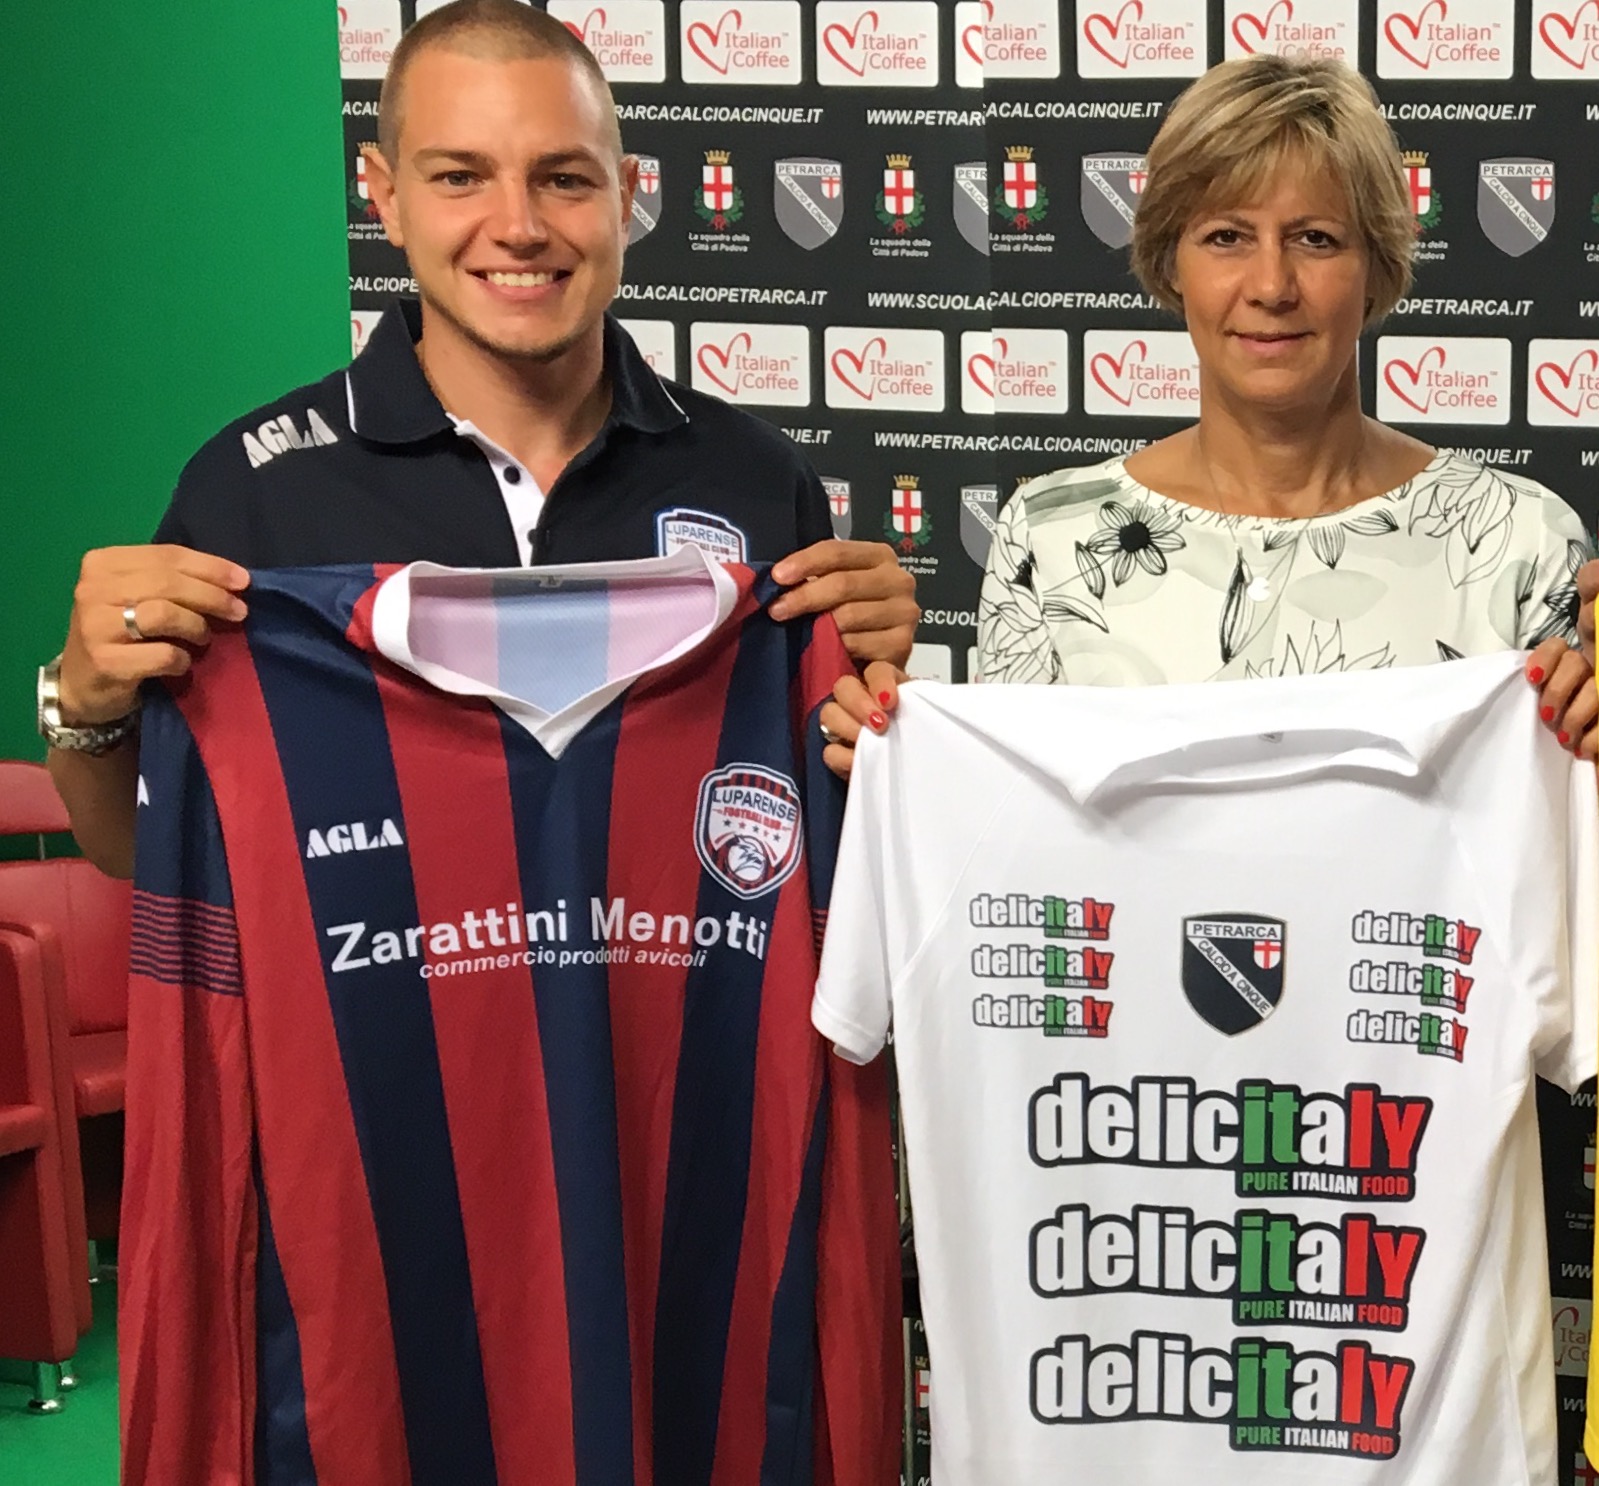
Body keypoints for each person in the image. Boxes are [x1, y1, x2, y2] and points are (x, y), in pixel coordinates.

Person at [40, 0, 917, 873]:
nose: (519, 227)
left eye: (564, 179)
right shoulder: (253, 488)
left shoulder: (757, 478)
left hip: (672, 971)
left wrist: (885, 729)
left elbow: (825, 839)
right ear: (386, 196)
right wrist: (85, 708)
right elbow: (135, 852)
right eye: (460, 177)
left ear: (625, 198)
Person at [824, 52, 1596, 757]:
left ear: (1376, 268)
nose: (1270, 286)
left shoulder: (1519, 540)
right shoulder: (1049, 536)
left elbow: (1555, 834)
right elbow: (1010, 832)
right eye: (1226, 237)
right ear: (1171, 265)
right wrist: (911, 762)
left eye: (1315, 239)